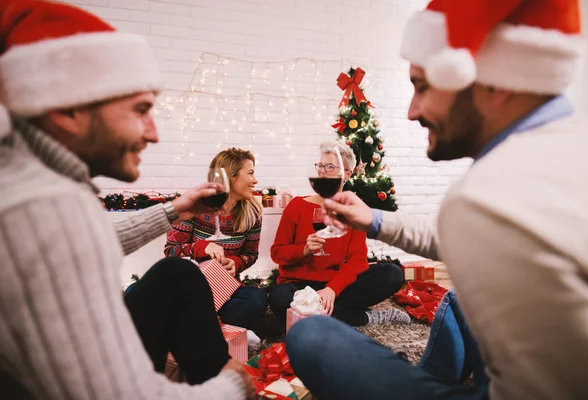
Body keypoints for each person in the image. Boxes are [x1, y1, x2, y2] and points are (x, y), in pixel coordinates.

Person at [285, 0, 588, 399]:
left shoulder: (483, 199)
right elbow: (478, 241)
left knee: (311, 334)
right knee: (456, 297)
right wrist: (375, 220)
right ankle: (436, 372)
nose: (413, 109)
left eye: (422, 85)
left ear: (496, 85)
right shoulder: (580, 144)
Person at [0, 1, 254, 399]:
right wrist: (233, 386)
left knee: (178, 276)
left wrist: (175, 210)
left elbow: (85, 237)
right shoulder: (39, 205)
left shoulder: (35, 178)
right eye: (140, 110)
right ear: (69, 109)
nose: (153, 134)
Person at [269, 140, 406, 327]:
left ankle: (312, 312)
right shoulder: (297, 206)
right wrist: (304, 250)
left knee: (392, 274)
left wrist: (332, 289)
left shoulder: (351, 211)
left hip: (335, 285)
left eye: (330, 166)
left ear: (347, 173)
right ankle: (364, 318)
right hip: (298, 286)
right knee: (279, 299)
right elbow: (277, 253)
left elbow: (357, 261)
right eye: (321, 165)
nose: (322, 171)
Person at [164, 148, 267, 346]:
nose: (255, 181)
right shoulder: (195, 205)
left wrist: (235, 263)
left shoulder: (252, 212)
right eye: (251, 173)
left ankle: (202, 327)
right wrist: (201, 247)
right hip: (191, 287)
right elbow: (171, 251)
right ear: (231, 176)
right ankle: (221, 330)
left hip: (225, 289)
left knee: (256, 298)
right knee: (137, 292)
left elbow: (251, 254)